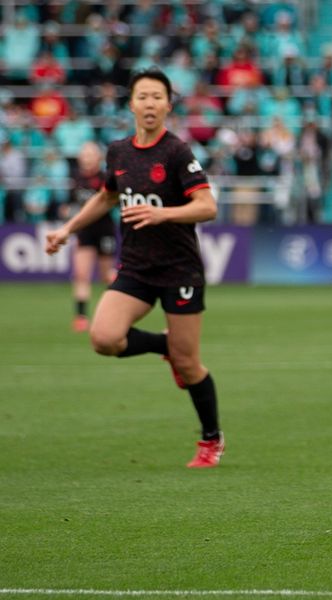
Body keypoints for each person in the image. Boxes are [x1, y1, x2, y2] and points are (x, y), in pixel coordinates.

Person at [44, 69, 225, 468]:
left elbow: (207, 207)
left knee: (189, 363)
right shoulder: (119, 152)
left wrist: (165, 215)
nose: (149, 104)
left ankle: (211, 438)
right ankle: (164, 346)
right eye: (142, 96)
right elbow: (106, 197)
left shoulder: (177, 153)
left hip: (180, 270)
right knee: (104, 338)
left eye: (157, 97)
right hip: (137, 268)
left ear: (168, 105)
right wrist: (67, 229)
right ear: (130, 104)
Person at [64, 141, 118, 332]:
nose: (86, 158)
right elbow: (69, 205)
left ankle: (118, 307)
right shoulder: (76, 179)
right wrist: (67, 213)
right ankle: (81, 317)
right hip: (84, 231)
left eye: (90, 155)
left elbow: (112, 202)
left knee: (106, 276)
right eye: (84, 155)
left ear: (98, 158)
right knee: (81, 274)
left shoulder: (105, 178)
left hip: (104, 230)